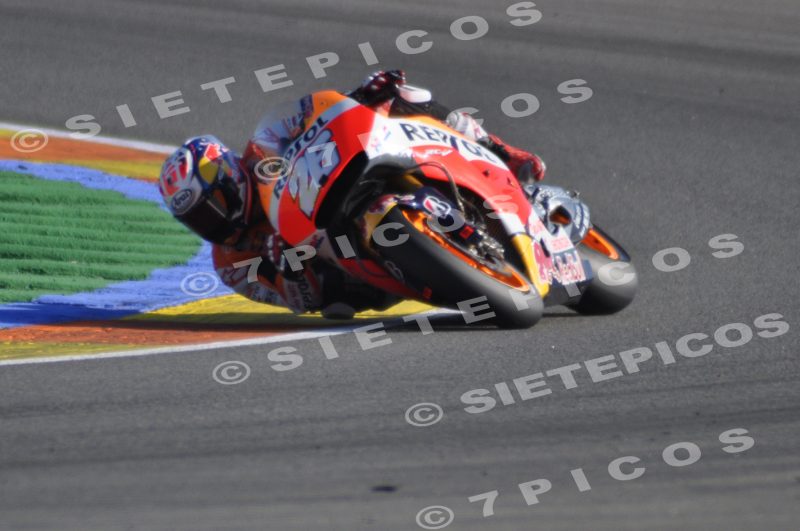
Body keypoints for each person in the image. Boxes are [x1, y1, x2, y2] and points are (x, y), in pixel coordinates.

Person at [158, 70, 576, 318]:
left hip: (348, 182)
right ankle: (440, 270)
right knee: (338, 307)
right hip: (343, 266)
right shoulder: (231, 264)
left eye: (215, 205)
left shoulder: (264, 145)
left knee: (407, 97)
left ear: (231, 175)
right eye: (199, 218)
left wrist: (364, 98)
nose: (214, 221)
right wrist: (284, 263)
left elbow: (317, 108)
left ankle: (502, 151)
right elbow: (299, 301)